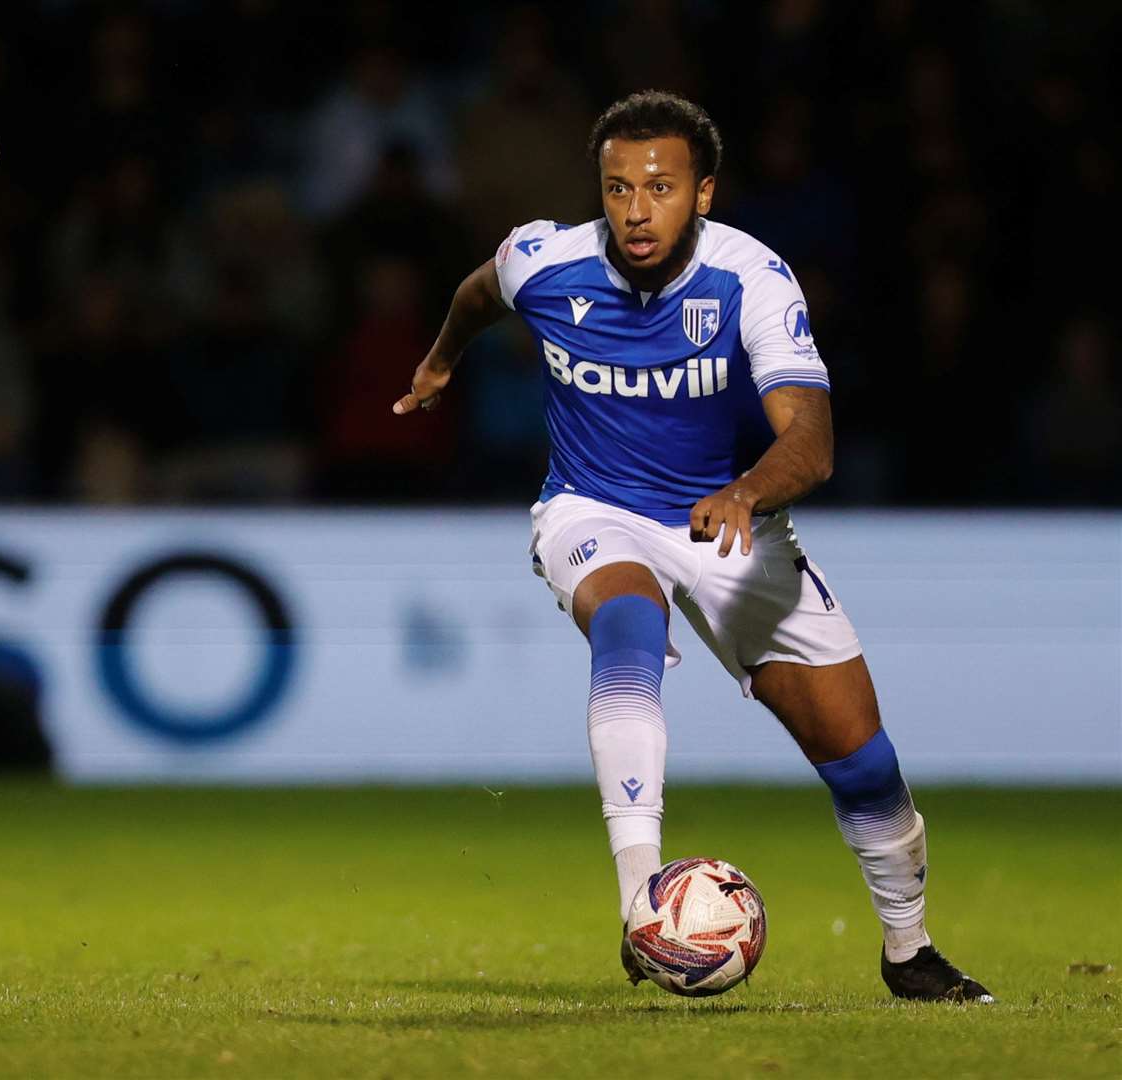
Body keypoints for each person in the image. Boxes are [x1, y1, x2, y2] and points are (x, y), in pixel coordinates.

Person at [393, 91, 991, 1003]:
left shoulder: (751, 279)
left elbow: (813, 442)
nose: (636, 209)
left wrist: (749, 489)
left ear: (702, 194)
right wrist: (443, 358)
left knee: (861, 759)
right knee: (628, 625)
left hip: (730, 520)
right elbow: (480, 291)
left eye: (661, 187)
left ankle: (909, 952)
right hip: (591, 510)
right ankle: (644, 908)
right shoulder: (545, 259)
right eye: (619, 188)